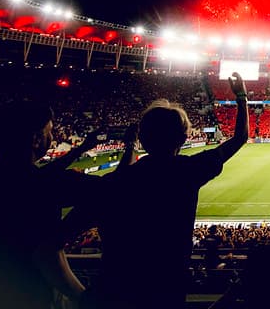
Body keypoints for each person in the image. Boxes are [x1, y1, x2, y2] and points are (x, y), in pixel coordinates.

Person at [84, 73, 250, 308]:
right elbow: (240, 137)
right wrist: (241, 96)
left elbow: (50, 245)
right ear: (183, 138)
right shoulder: (187, 171)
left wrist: (79, 297)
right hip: (167, 290)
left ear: (142, 137)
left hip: (116, 291)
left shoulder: (115, 181)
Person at [0, 101, 100, 309]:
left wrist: (81, 149)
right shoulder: (46, 186)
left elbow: (34, 176)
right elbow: (114, 188)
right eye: (49, 131)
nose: (52, 137)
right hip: (32, 297)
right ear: (36, 139)